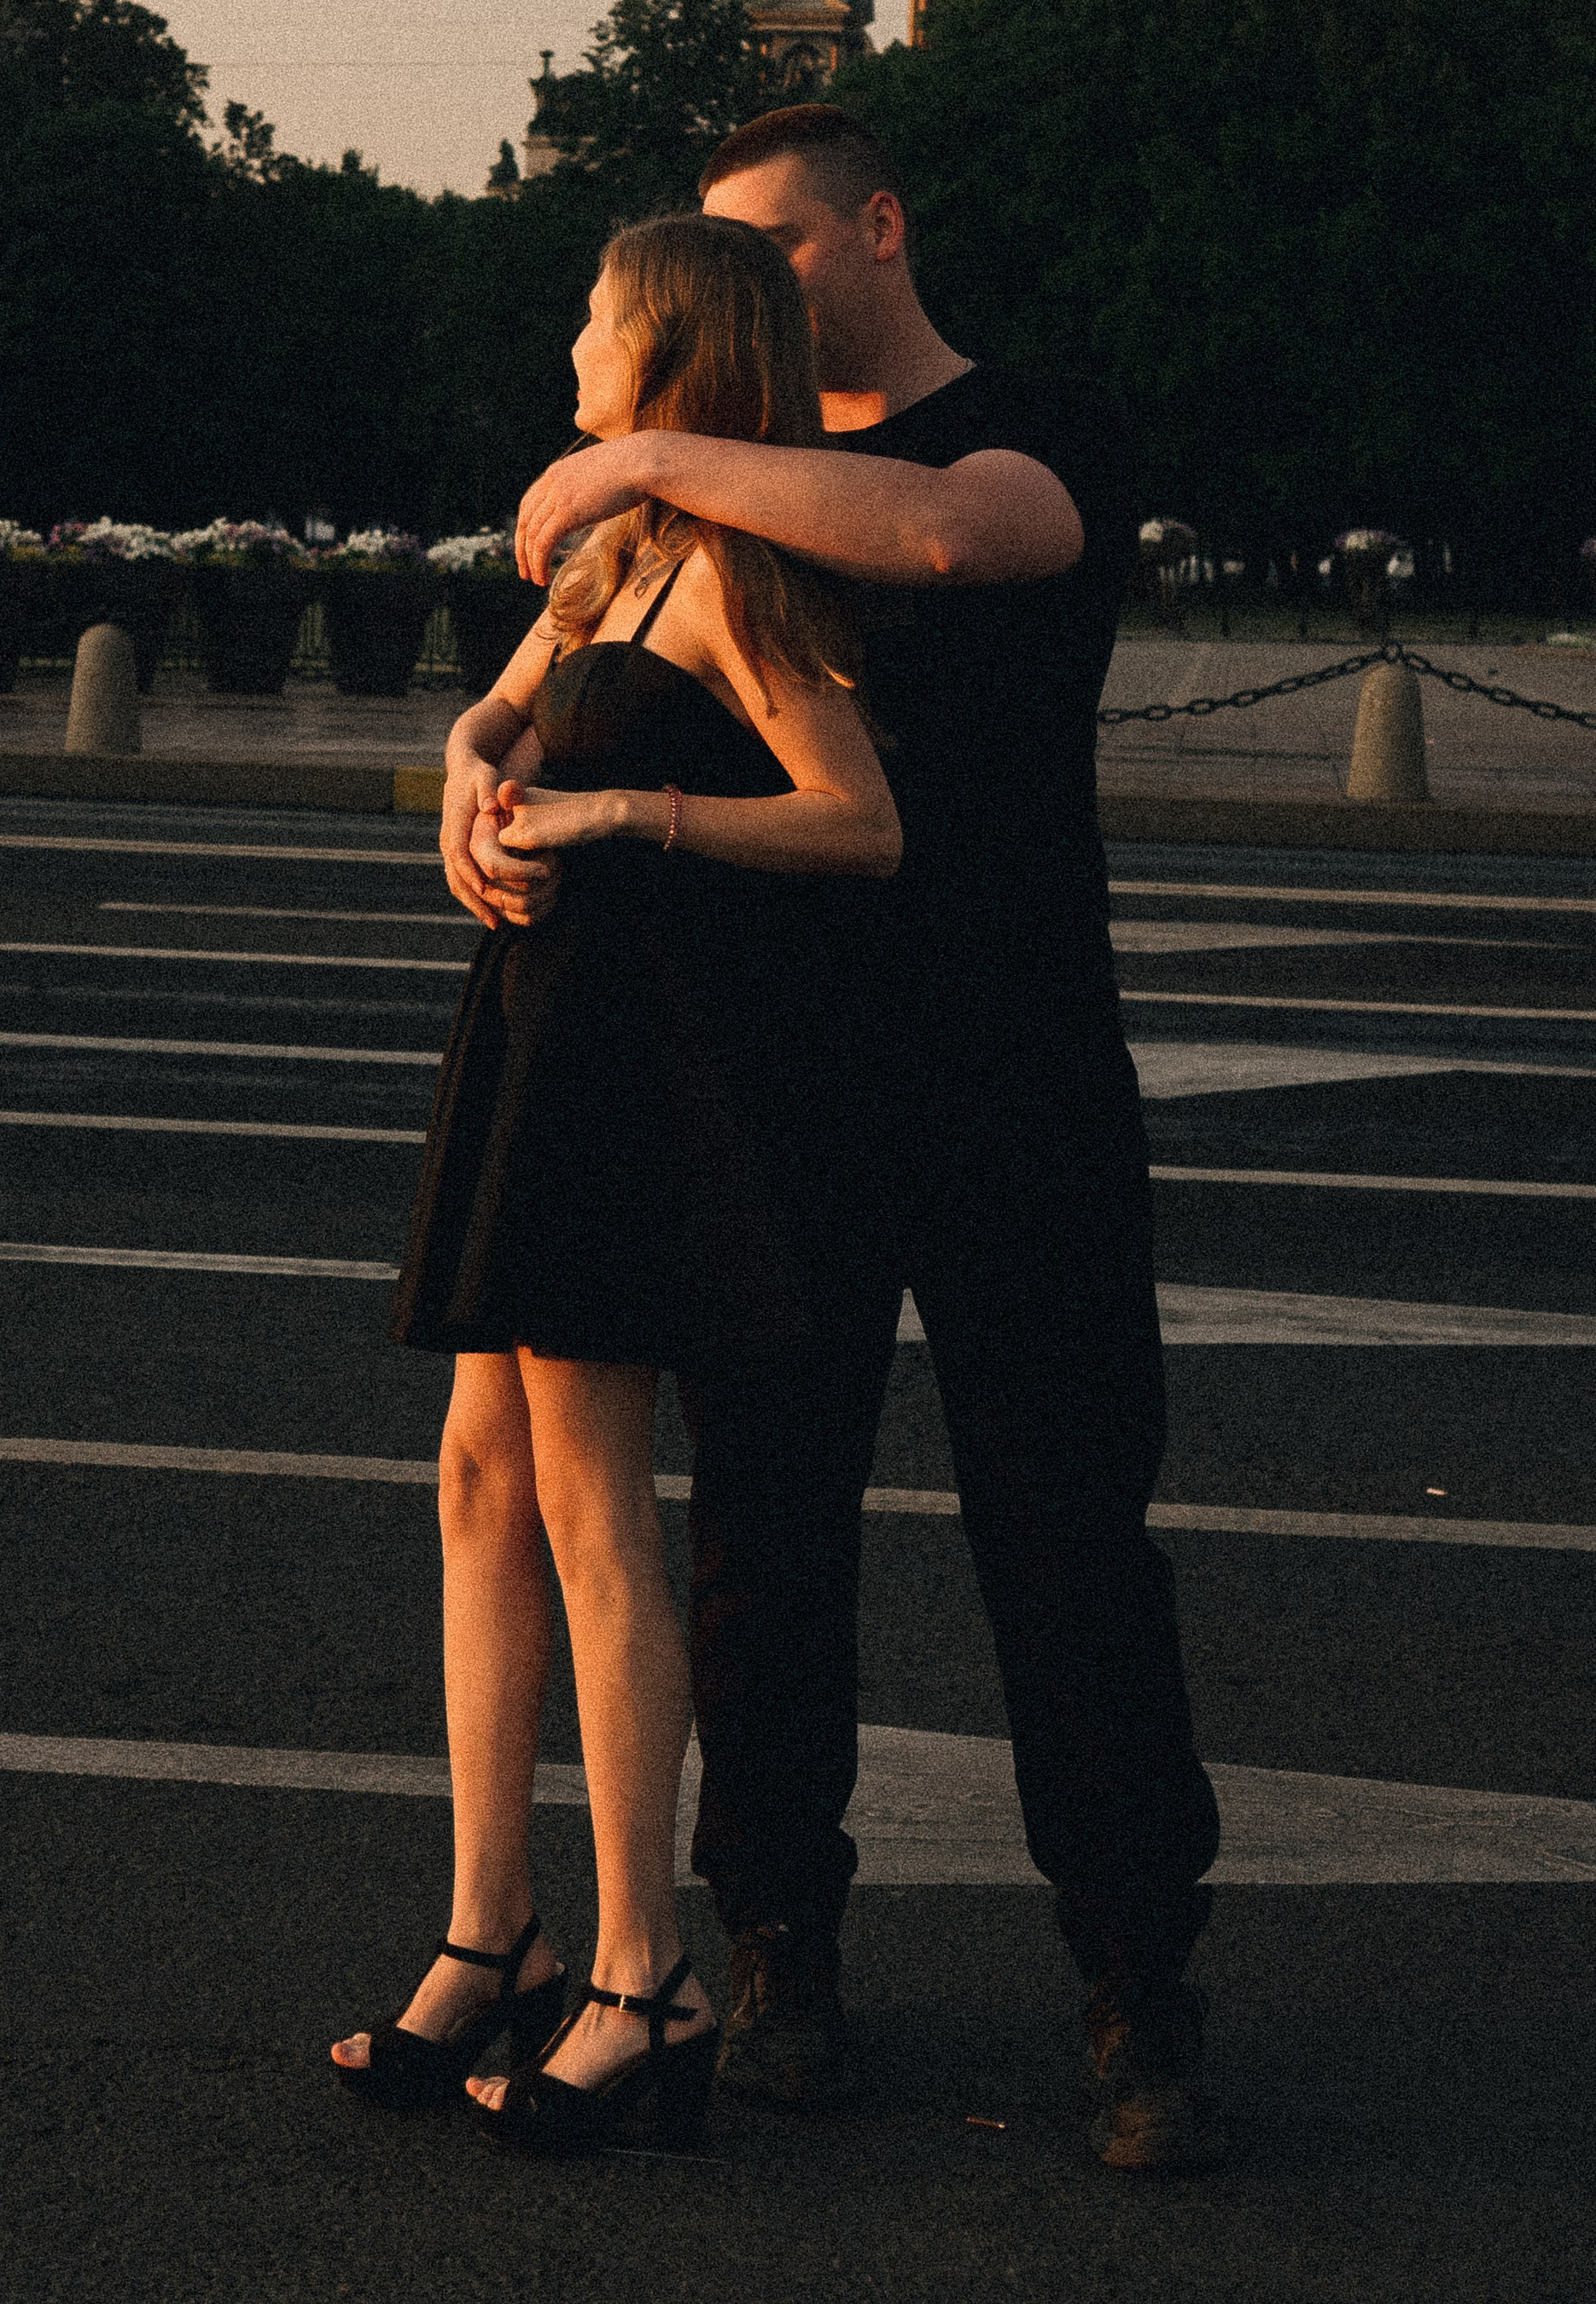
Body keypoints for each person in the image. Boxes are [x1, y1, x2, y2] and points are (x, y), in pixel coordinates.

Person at [482, 105, 1226, 2174]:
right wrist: (478, 762)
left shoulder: (1028, 427)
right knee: (762, 1548)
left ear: (878, 229)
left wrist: (633, 449)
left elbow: (934, 540)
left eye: (774, 249)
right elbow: (541, 682)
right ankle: (781, 1945)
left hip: (1015, 1080)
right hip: (770, 1083)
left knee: (1066, 1538)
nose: (744, 293)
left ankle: (1132, 1984)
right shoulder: (714, 509)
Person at [333, 212, 900, 2158]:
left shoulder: (731, 573)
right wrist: (477, 790)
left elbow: (858, 819)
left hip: (636, 1077)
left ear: (662, 352)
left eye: (591, 320)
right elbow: (496, 704)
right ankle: (488, 1929)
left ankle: (640, 1972)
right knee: (478, 1478)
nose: (568, 344)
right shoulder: (608, 561)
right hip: (539, 1036)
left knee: (587, 1513)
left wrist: (618, 809)